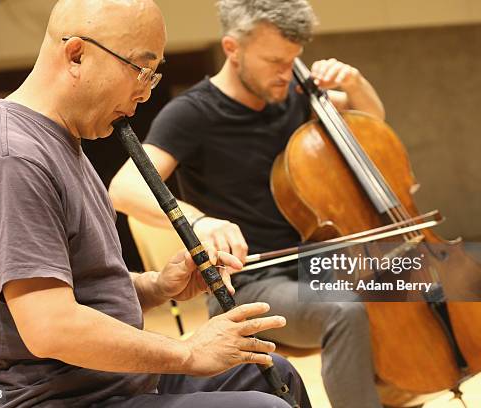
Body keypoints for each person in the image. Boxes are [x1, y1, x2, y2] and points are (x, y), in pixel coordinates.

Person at [0, 1, 312, 407]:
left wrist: (156, 286)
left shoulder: (63, 144)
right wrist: (190, 354)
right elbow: (52, 327)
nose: (145, 92)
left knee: (270, 373)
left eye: (154, 75)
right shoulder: (11, 158)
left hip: (112, 385)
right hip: (53, 399)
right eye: (141, 70)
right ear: (77, 54)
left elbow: (78, 291)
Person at [108, 1, 386, 407]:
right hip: (251, 280)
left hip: (314, 263)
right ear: (232, 48)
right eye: (274, 60)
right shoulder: (193, 113)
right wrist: (199, 222)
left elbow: (371, 128)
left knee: (404, 283)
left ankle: (396, 391)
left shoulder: (293, 93)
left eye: (293, 59)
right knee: (344, 309)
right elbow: (124, 187)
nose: (286, 72)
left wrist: (356, 83)